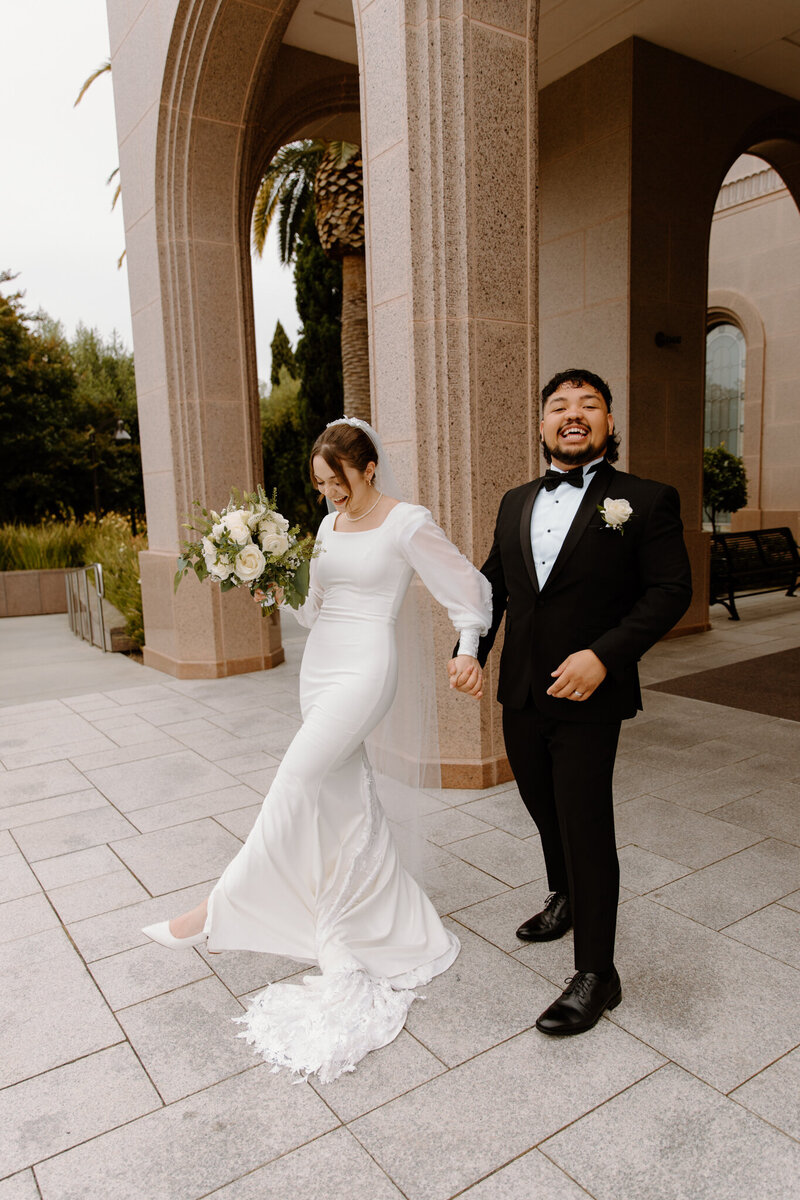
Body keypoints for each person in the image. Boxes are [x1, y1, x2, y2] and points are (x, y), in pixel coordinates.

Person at [143, 417, 490, 1082]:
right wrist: (277, 581)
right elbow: (313, 609)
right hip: (322, 666)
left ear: (369, 471)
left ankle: (216, 909)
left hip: (366, 668)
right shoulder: (330, 527)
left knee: (297, 777)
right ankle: (382, 918)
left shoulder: (407, 521)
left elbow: (469, 591)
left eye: (339, 481)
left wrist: (468, 651)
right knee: (338, 800)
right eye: (321, 485)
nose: (329, 494)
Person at [450, 368, 692, 1035]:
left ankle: (597, 974)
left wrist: (604, 655)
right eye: (559, 406)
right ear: (542, 425)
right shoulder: (513, 502)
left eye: (589, 405)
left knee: (586, 822)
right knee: (541, 805)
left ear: (610, 424)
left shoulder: (645, 500)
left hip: (592, 693)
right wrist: (468, 650)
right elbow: (489, 589)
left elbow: (670, 591)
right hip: (522, 689)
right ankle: (566, 896)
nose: (573, 414)